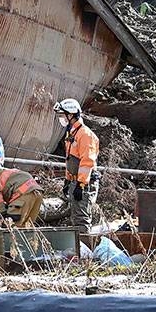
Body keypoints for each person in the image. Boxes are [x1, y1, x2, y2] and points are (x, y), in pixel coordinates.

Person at [55, 98, 100, 233]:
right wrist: (68, 180)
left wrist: (81, 185)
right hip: (75, 181)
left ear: (71, 115)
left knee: (82, 219)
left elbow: (87, 162)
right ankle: (79, 248)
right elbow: (71, 159)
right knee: (75, 217)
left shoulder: (85, 134)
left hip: (84, 183)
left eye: (62, 115)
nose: (61, 119)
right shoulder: (72, 133)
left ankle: (84, 249)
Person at [0, 149, 43, 227]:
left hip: (22, 193)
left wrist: (3, 213)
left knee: (10, 226)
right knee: (26, 228)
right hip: (36, 191)